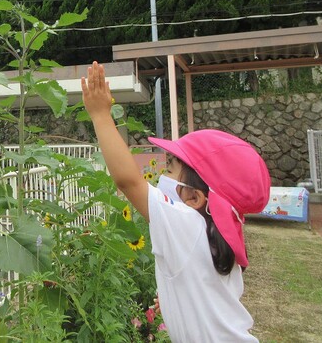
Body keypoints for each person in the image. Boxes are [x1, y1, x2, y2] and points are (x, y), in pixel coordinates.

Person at [81, 61, 271, 342]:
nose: (162, 176)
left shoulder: (188, 225)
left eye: (170, 169)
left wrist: (99, 114)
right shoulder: (215, 234)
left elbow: (128, 180)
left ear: (195, 197)